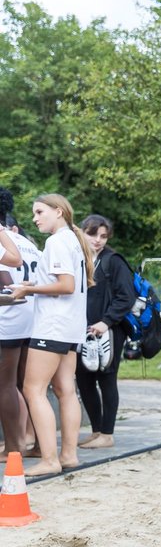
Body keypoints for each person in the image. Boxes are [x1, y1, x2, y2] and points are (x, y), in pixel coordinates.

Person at [1, 194, 92, 477]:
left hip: (52, 325)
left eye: (40, 212)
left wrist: (28, 290)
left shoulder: (56, 242)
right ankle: (68, 454)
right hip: (71, 325)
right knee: (66, 391)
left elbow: (65, 285)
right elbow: (65, 283)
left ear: (58, 212)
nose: (35, 218)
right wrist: (34, 284)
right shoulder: (73, 241)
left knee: (33, 390)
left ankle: (50, 459)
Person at [76, 215, 136, 450]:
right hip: (83, 330)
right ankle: (97, 430)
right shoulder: (79, 259)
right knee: (84, 379)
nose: (98, 240)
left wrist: (106, 322)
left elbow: (126, 297)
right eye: (93, 235)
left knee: (107, 378)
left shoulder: (113, 261)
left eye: (103, 236)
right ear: (82, 232)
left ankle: (107, 433)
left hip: (109, 331)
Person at [0, 188, 40, 455]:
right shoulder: (26, 240)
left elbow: (5, 282)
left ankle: (13, 448)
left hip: (9, 318)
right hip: (32, 317)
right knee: (28, 385)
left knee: (5, 385)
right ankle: (37, 442)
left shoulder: (4, 241)